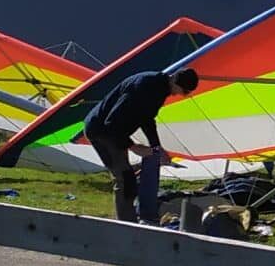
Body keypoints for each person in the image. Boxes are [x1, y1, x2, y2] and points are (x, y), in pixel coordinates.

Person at [83, 65, 199, 222]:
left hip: (115, 132)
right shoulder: (143, 87)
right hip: (101, 131)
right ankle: (126, 225)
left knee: (127, 176)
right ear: (176, 82)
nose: (181, 95)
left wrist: (156, 147)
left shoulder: (160, 89)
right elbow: (111, 122)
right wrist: (133, 146)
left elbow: (147, 119)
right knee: (124, 179)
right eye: (184, 91)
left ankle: (129, 219)